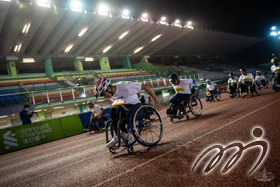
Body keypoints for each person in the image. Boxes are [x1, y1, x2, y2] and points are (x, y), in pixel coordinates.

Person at [93, 77, 161, 148]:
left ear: (109, 88)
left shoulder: (125, 86)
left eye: (103, 94)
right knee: (112, 110)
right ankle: (117, 136)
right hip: (124, 111)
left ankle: (125, 134)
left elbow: (145, 86)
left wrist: (156, 100)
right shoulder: (110, 95)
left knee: (119, 108)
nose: (104, 97)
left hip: (136, 107)